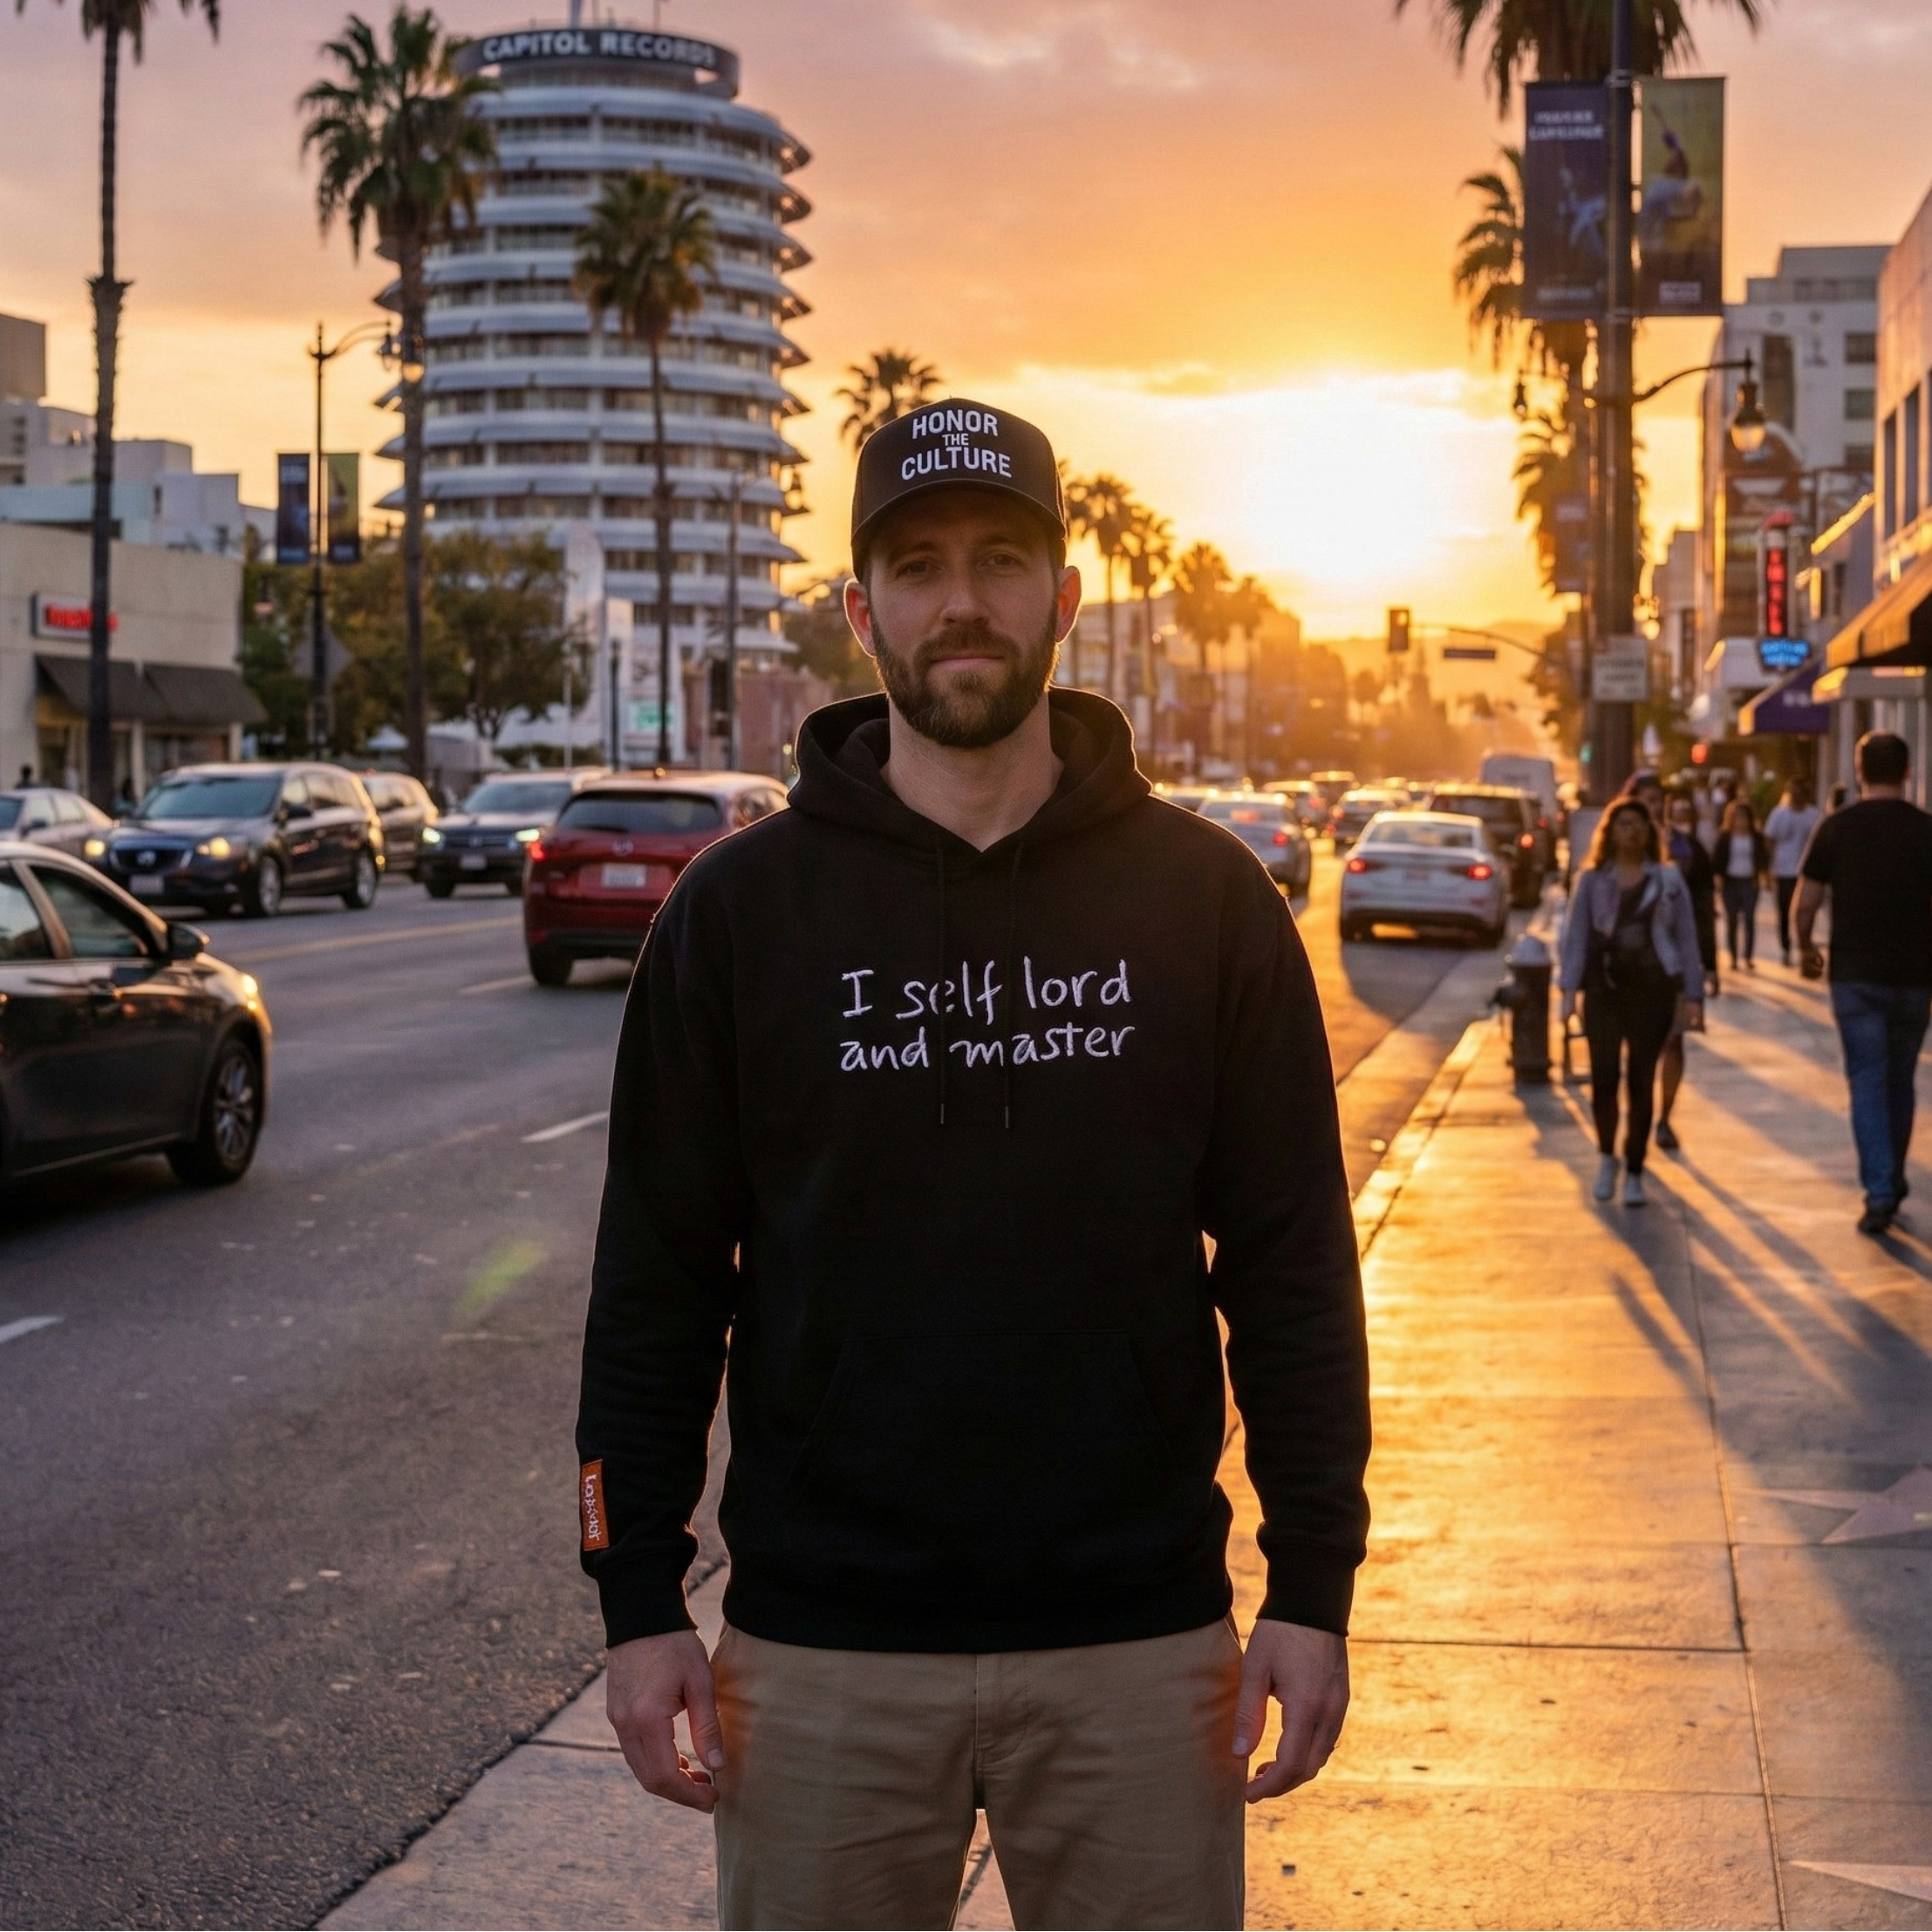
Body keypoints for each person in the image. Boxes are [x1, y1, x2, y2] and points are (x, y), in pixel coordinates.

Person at [577, 399, 1369, 1931]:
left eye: (1002, 560)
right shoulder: (737, 920)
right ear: (858, 609)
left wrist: (1313, 1581)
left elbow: (1290, 1270)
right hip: (820, 1656)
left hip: (1138, 1647)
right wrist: (634, 1596)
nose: (963, 602)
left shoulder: (1206, 904)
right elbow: (656, 1282)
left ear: (1065, 597)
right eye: (920, 565)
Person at [1796, 730, 1932, 1236]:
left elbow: (1805, 902)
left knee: (1868, 1082)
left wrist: (1806, 947)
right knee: (1900, 1080)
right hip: (1916, 977)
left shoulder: (1837, 829)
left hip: (1855, 977)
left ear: (1859, 771)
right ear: (1906, 771)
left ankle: (1881, 1189)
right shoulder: (1925, 831)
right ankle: (1890, 1177)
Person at [1560, 798, 1703, 1206]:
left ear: (1649, 834)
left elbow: (1687, 940)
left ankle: (1635, 1168)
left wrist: (1692, 995)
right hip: (1603, 992)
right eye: (1623, 825)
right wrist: (1569, 993)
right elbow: (1576, 939)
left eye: (1639, 825)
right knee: (1604, 1080)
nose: (1632, 832)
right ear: (1611, 832)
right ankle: (1607, 1157)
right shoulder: (1591, 881)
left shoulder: (1668, 882)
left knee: (1641, 1081)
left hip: (1653, 993)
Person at [1656, 788, 1717, 1151]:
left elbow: (1701, 913)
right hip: (1632, 974)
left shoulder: (1687, 852)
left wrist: (1707, 967)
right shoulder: (1612, 857)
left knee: (1673, 1041)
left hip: (1675, 967)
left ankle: (1663, 1117)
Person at [1765, 778, 1822, 966]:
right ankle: (1786, 946)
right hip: (1784, 871)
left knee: (1807, 910)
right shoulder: (1779, 814)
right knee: (1784, 911)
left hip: (1807, 872)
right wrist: (1770, 866)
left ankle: (1804, 945)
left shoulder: (1813, 815)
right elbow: (1770, 840)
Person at [1712, 798, 1769, 973]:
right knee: (1732, 921)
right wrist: (1717, 879)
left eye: (1743, 817)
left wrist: (1765, 877)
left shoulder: (1756, 838)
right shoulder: (1725, 838)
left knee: (1749, 919)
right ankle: (1733, 957)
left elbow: (1763, 858)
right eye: (1737, 817)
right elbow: (1717, 860)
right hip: (1730, 882)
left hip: (1750, 881)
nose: (1740, 821)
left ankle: (1748, 956)